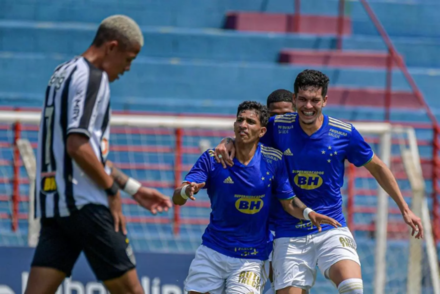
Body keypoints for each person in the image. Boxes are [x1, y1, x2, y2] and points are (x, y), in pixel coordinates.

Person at [214, 70, 424, 294]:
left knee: (353, 287)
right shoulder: (278, 126)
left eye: (315, 100)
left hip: (330, 227)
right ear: (294, 100)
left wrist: (404, 208)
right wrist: (229, 141)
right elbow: (248, 137)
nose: (308, 106)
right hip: (289, 232)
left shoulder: (344, 133)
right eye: (303, 99)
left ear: (324, 100)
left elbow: (378, 168)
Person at [26, 15, 172, 294]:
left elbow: (89, 153)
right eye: (129, 59)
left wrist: (133, 188)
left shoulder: (62, 72)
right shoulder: (94, 77)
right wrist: (112, 192)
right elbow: (77, 146)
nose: (128, 68)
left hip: (56, 206)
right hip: (87, 205)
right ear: (111, 47)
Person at [173, 101, 341, 294]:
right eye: (240, 120)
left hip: (251, 258)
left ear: (262, 132)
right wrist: (187, 191)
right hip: (212, 251)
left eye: (250, 122)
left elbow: (288, 201)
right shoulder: (213, 158)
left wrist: (309, 213)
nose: (243, 125)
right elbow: (177, 198)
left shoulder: (273, 160)